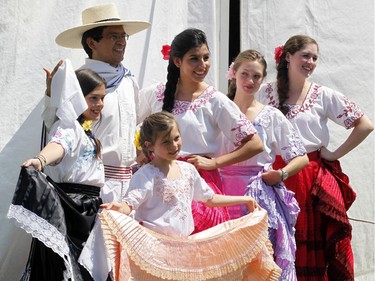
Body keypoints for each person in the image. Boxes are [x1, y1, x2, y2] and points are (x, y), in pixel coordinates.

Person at [100, 111, 281, 280]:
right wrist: (119, 208)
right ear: (149, 145)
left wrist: (245, 199)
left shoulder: (187, 170)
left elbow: (209, 199)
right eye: (166, 142)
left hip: (185, 249)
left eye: (176, 138)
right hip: (156, 251)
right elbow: (131, 202)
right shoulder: (147, 175)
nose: (174, 145)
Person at [256, 35, 374, 280]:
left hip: (311, 177)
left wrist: (333, 153)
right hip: (274, 178)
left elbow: (365, 124)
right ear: (287, 57)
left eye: (314, 57)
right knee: (277, 243)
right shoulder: (265, 93)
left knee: (319, 241)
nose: (310, 61)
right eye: (305, 56)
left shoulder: (323, 95)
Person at [138, 28, 264, 233]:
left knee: (199, 253)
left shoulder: (215, 100)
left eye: (206, 57)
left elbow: (255, 143)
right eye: (194, 59)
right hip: (157, 184)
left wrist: (215, 162)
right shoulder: (154, 94)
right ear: (177, 61)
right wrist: (142, 152)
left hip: (199, 188)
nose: (203, 65)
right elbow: (130, 127)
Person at [7, 60, 106, 280]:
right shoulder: (70, 127)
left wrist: (51, 92)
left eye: (102, 98)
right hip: (74, 209)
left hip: (86, 210)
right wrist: (41, 160)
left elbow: (51, 117)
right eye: (94, 98)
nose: (100, 104)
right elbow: (59, 145)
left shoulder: (82, 129)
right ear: (79, 98)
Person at [43, 3, 151, 203]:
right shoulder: (77, 83)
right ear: (92, 43)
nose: (121, 42)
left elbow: (135, 122)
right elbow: (60, 129)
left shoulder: (128, 80)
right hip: (93, 186)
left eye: (123, 36)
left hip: (129, 185)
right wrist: (51, 95)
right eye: (113, 36)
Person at [219, 49, 309, 280]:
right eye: (245, 74)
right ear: (233, 73)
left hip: (258, 195)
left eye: (256, 76)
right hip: (220, 195)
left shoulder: (271, 116)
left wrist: (281, 174)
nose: (250, 81)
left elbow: (301, 157)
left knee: (259, 264)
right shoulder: (217, 110)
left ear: (263, 79)